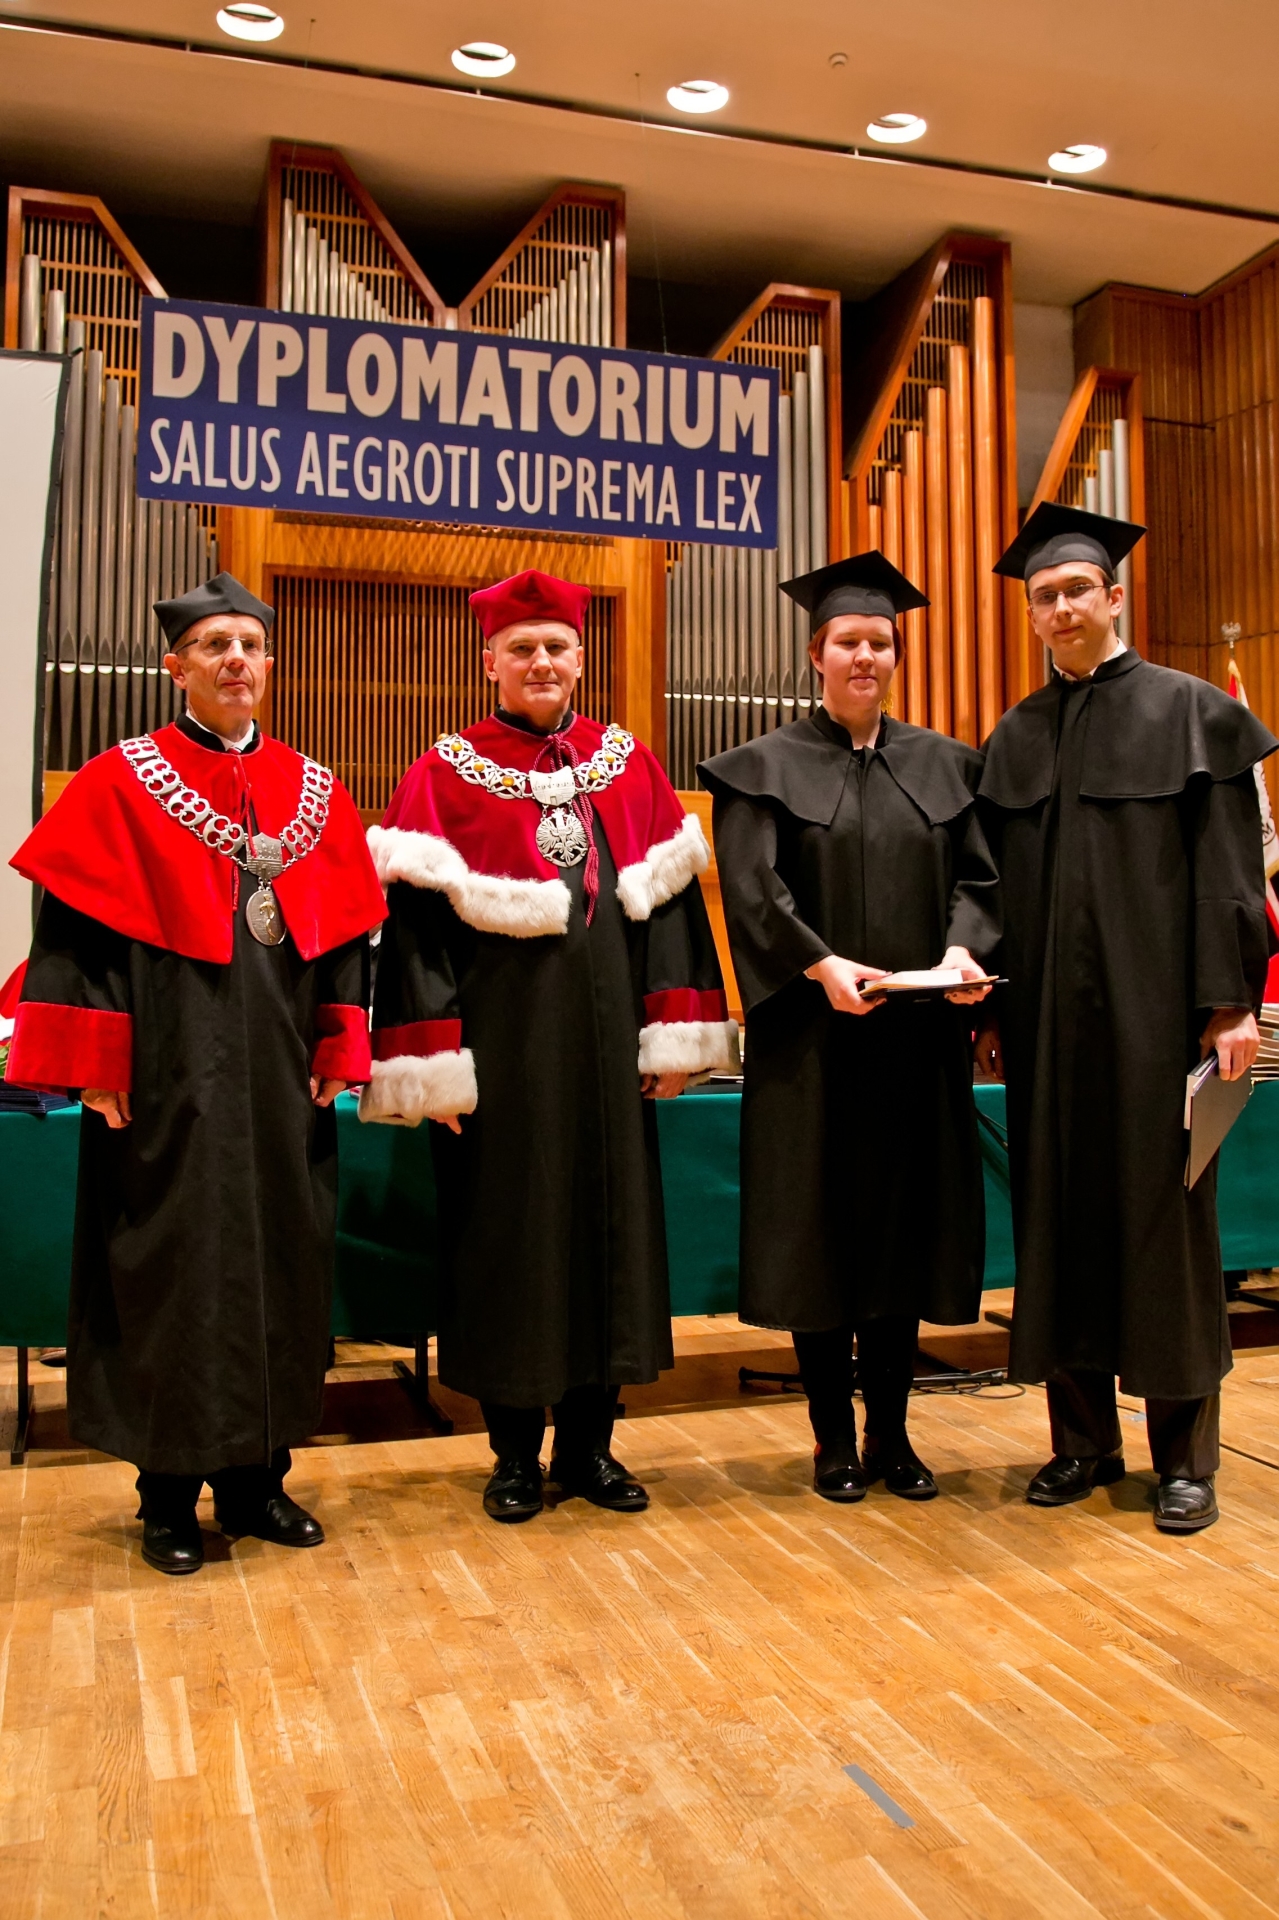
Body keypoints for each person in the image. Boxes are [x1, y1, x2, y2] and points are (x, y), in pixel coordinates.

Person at [5, 574, 386, 1574]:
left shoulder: (315, 790)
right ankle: (167, 1496)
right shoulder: (117, 782)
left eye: (249, 645)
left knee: (281, 1263)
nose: (235, 660)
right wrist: (93, 1066)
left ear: (269, 665)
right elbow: (72, 941)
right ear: (176, 667)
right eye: (215, 645)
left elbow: (345, 946)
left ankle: (260, 1479)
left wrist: (339, 1049)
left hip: (280, 1077)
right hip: (164, 1073)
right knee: (169, 1271)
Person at [362, 568, 736, 1522]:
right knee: (509, 1245)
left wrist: (673, 1041)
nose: (540, 662)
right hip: (502, 1066)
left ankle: (591, 1449)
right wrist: (434, 1068)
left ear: (580, 658)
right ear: (488, 660)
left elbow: (673, 914)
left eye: (556, 647)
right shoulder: (443, 773)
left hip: (609, 1061)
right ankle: (514, 1455)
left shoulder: (629, 764)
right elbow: (414, 942)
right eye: (521, 648)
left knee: (608, 1240)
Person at [979, 503, 1277, 1533]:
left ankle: (1184, 1459)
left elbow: (1229, 873)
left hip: (1158, 1022)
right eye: (1043, 596)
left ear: (1114, 597)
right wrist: (988, 1002)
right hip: (1046, 1032)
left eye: (1076, 590)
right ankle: (1081, 1444)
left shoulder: (1191, 713)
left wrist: (1230, 1002)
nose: (1060, 608)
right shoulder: (1014, 735)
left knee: (1165, 1230)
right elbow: (993, 890)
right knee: (1057, 1221)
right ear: (1030, 613)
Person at [699, 553, 998, 1502]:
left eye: (879, 642)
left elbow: (981, 881)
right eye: (847, 642)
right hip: (811, 1045)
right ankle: (833, 1439)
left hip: (915, 1045)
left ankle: (893, 1437)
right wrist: (820, 965)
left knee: (901, 1236)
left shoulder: (948, 766)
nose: (863, 656)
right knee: (818, 1235)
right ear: (815, 655)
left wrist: (961, 953)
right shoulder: (762, 768)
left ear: (895, 655)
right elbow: (752, 889)